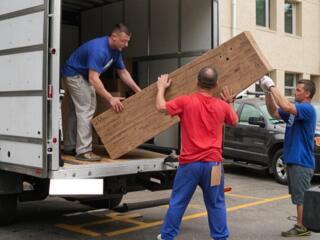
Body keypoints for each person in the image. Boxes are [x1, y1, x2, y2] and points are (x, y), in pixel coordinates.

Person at [156, 67, 238, 240]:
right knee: (216, 204)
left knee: (178, 202)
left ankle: (167, 236)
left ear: (196, 82)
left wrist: (161, 87)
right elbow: (234, 121)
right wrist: (230, 101)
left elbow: (160, 107)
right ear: (216, 84)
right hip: (213, 165)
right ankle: (220, 237)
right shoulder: (222, 106)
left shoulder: (186, 101)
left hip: (190, 165)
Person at [61, 23, 141, 161]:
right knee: (86, 109)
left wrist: (138, 91)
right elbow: (93, 78)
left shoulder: (116, 51)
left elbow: (123, 72)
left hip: (78, 74)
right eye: (124, 40)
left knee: (77, 111)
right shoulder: (100, 50)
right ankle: (83, 151)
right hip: (75, 74)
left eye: (128, 41)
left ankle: (70, 145)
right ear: (114, 37)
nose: (126, 44)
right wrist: (111, 98)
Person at [259, 76, 316, 237]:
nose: (295, 92)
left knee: (301, 196)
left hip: (301, 160)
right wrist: (267, 93)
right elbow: (274, 111)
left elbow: (284, 104)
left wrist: (271, 86)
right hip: (293, 159)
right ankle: (301, 224)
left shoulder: (307, 109)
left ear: (307, 94)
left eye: (298, 90)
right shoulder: (295, 109)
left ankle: (302, 227)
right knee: (298, 195)